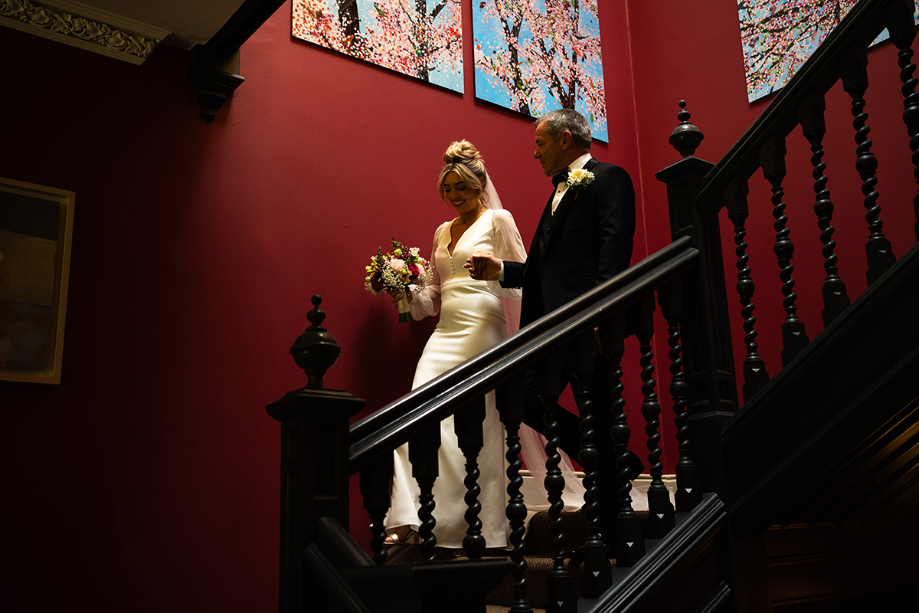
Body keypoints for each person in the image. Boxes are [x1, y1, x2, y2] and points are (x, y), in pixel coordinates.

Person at [465, 109, 640, 545]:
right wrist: (500, 270)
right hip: (548, 330)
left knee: (598, 411)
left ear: (565, 139)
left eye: (540, 143)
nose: (535, 153)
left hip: (586, 328)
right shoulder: (559, 191)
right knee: (525, 400)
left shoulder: (609, 178)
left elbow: (614, 251)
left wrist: (599, 316)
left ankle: (610, 524)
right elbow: (543, 271)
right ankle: (615, 461)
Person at [384, 140, 528, 550]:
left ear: (479, 184)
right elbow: (432, 298)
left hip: (482, 326)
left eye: (461, 187)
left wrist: (495, 271)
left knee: (475, 425)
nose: (454, 196)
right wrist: (403, 289)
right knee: (415, 411)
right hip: (444, 331)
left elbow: (525, 278)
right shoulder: (441, 231)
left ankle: (479, 527)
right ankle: (410, 516)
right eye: (448, 189)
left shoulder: (498, 220)